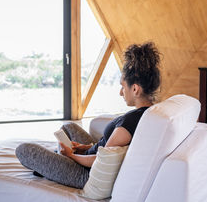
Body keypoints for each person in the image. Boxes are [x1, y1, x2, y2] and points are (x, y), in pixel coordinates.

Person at [16, 42, 161, 189]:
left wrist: (71, 156)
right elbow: (107, 149)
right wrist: (85, 148)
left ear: (135, 89)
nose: (120, 92)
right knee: (68, 127)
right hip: (88, 157)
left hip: (85, 173)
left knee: (24, 150)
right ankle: (60, 156)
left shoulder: (129, 125)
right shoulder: (148, 113)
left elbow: (101, 162)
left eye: (123, 86)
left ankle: (57, 159)